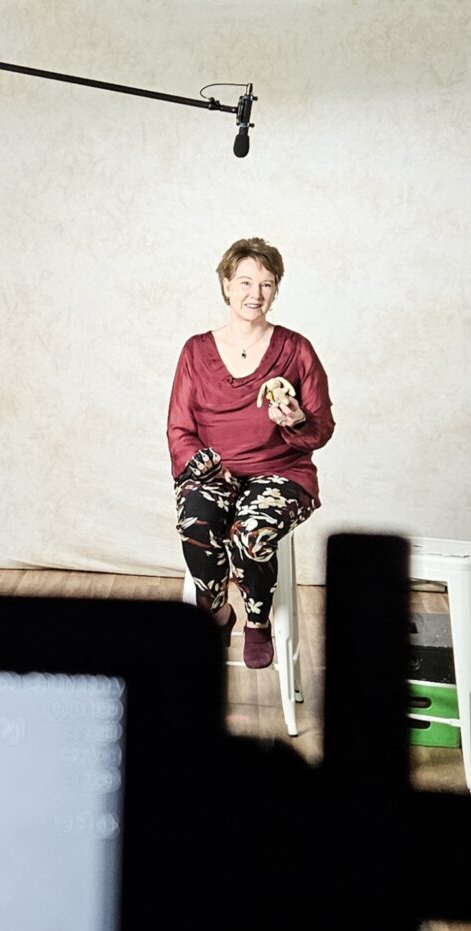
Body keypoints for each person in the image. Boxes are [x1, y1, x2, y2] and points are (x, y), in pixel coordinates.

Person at [167, 237, 335, 668]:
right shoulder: (195, 351)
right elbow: (179, 429)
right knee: (198, 521)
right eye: (244, 282)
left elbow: (322, 429)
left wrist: (296, 418)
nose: (254, 294)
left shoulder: (296, 350)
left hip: (281, 473)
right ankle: (218, 612)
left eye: (266, 283)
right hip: (215, 472)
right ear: (225, 285)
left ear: (276, 290)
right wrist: (202, 465)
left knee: (251, 533)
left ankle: (257, 622)